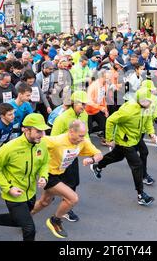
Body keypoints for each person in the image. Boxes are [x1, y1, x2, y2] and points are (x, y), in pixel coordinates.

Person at [0, 113, 50, 241]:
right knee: (29, 228)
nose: (42, 134)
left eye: (43, 131)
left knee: (18, 221)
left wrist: (44, 176)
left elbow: (44, 163)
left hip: (31, 192)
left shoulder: (41, 144)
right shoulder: (10, 147)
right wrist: (8, 187)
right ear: (27, 130)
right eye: (38, 131)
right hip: (13, 194)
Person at [32, 120, 103, 239]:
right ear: (71, 132)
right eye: (80, 135)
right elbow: (34, 142)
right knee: (72, 198)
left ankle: (24, 219)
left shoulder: (82, 142)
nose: (83, 138)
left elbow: (99, 154)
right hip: (48, 175)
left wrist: (92, 160)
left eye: (84, 135)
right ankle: (55, 220)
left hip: (60, 173)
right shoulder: (57, 141)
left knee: (44, 202)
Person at [90, 88, 157, 206]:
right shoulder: (128, 110)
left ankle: (98, 166)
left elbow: (148, 121)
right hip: (125, 140)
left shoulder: (146, 107)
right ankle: (141, 195)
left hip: (136, 137)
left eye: (149, 101)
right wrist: (109, 139)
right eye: (146, 101)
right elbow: (110, 120)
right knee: (137, 165)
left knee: (117, 156)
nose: (149, 103)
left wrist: (151, 133)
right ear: (139, 100)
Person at [50, 91, 89, 222]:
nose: (83, 106)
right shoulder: (62, 118)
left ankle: (63, 200)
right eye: (81, 104)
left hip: (73, 154)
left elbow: (86, 135)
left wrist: (90, 153)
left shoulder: (84, 115)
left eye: (85, 104)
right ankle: (66, 207)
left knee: (73, 181)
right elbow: (53, 139)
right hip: (60, 156)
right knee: (61, 181)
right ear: (73, 103)